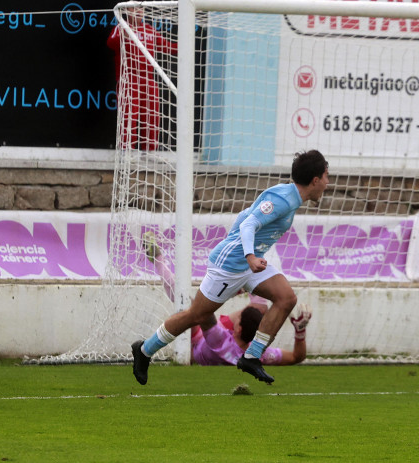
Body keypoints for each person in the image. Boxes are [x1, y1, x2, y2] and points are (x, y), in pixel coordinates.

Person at [132, 149, 329, 385]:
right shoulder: (283, 199)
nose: (328, 183)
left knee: (286, 298)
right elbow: (248, 224)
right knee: (196, 315)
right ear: (315, 180)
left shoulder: (289, 198)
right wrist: (249, 256)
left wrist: (251, 256)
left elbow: (245, 215)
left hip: (250, 264)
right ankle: (144, 350)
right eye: (326, 177)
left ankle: (251, 357)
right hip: (231, 265)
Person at [142, 231, 312, 367]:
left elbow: (206, 314)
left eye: (238, 319)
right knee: (260, 308)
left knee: (188, 303)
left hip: (197, 341)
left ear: (237, 328)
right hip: (238, 345)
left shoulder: (220, 341)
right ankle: (246, 279)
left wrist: (228, 291)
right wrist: (300, 331)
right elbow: (296, 357)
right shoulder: (262, 354)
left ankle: (158, 260)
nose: (236, 318)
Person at [107, 7, 177, 151]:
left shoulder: (150, 30)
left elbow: (168, 47)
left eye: (141, 8)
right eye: (135, 8)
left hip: (148, 78)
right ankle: (126, 151)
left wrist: (186, 43)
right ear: (127, 10)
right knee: (129, 116)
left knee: (151, 117)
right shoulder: (122, 27)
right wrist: (124, 34)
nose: (139, 11)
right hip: (129, 79)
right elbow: (110, 43)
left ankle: (150, 152)